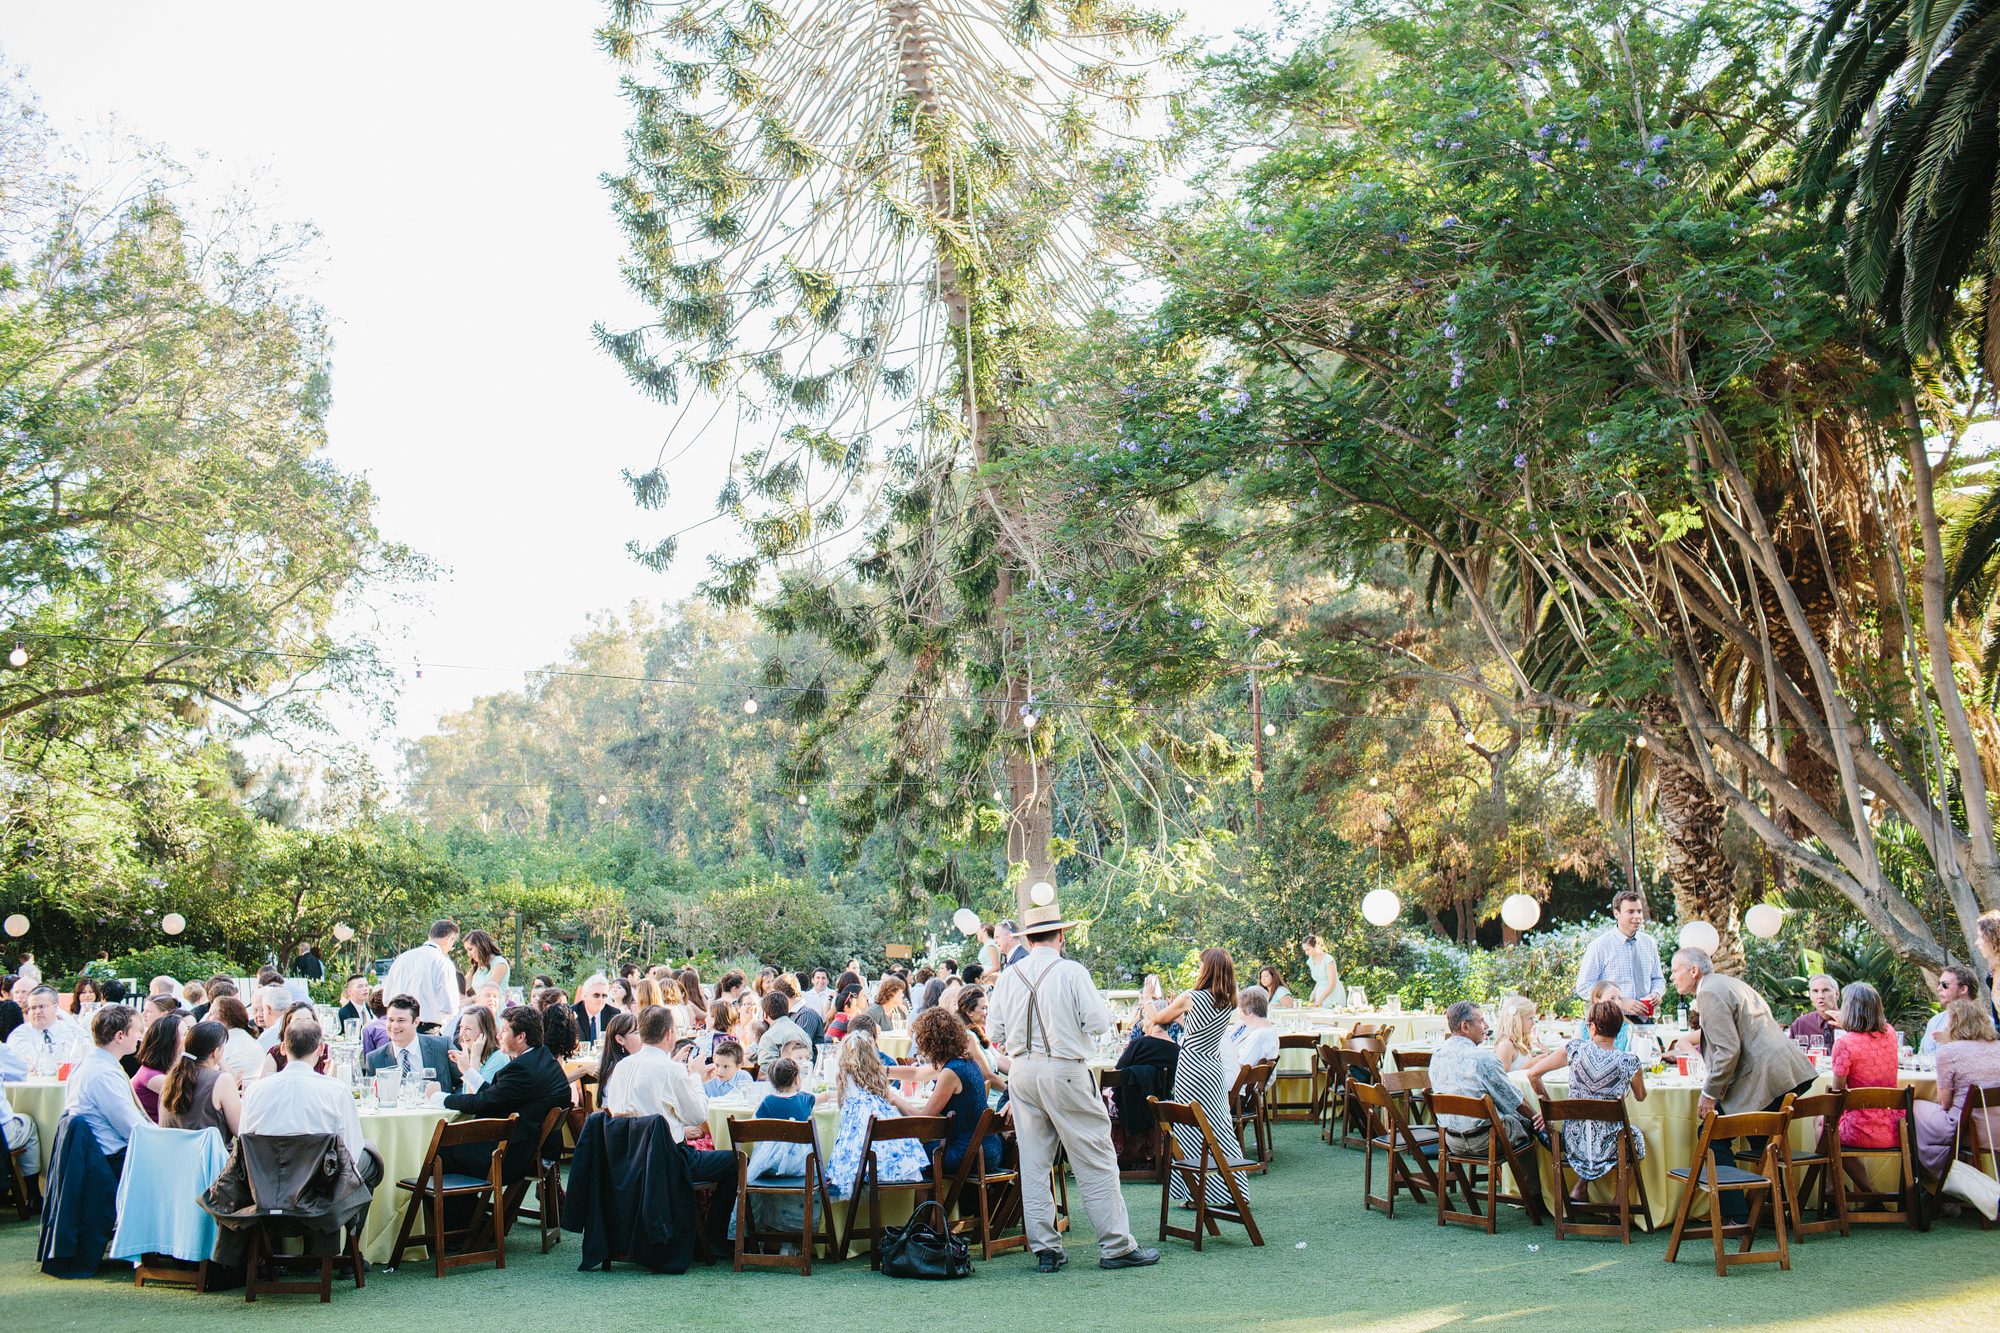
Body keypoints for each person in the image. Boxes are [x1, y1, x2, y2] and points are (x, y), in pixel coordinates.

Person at [989, 895, 1158, 1272]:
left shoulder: (1008, 976)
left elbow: (995, 1030)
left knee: (1033, 1162)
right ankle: (1116, 1245)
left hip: (1020, 1071)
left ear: (1029, 939)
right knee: (1094, 1157)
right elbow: (1099, 1023)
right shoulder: (1072, 972)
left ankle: (1046, 1250)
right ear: (1061, 935)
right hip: (1063, 1068)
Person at [1668, 947, 1815, 1223]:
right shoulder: (1728, 983)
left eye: (1675, 970)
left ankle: (1736, 1215)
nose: (1672, 977)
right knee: (1762, 1140)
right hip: (1783, 1071)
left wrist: (1710, 1094)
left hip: (1766, 1076)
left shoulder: (1709, 992)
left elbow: (1727, 1050)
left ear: (1694, 971)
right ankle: (1772, 1216)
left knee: (1712, 1135)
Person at [599, 1003, 738, 1257]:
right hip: (666, 1161)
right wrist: (694, 1076)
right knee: (736, 1161)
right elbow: (697, 1115)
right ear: (669, 1035)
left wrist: (689, 1078)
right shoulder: (670, 1069)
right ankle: (712, 1237)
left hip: (623, 1160)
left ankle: (706, 1236)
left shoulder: (622, 1067)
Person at [241, 1014, 382, 1196]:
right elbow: (351, 1152)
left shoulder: (255, 1091)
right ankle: (351, 1221)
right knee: (370, 1156)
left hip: (268, 1182)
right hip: (321, 1186)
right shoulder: (337, 1090)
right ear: (321, 1049)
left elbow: (245, 1144)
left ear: (283, 1048)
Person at [438, 1004, 575, 1188]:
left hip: (514, 1156)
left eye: (503, 1031)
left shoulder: (522, 1069)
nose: (498, 1036)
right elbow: (497, 1097)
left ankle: (465, 1216)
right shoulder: (542, 1056)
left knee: (438, 1152)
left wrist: (440, 1098)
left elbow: (482, 1103)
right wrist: (468, 1071)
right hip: (532, 1148)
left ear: (521, 1037)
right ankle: (474, 1215)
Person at [1526, 999, 1645, 1199]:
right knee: (1636, 1138)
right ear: (1619, 1029)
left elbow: (1532, 1074)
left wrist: (1546, 1109)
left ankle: (1580, 1189)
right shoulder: (1629, 1061)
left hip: (1574, 1140)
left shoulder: (1574, 1050)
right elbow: (1640, 1097)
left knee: (1591, 1127)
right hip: (1611, 1144)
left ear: (1593, 1027)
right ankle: (1619, 1202)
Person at [1149, 948, 1241, 1209]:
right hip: (1213, 1068)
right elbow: (1198, 1024)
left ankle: (1196, 1194)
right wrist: (1177, 1008)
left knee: (1190, 1128)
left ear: (1208, 968)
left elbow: (1158, 1018)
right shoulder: (1228, 1001)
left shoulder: (1191, 997)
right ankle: (1231, 1191)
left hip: (1191, 1068)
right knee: (1219, 1126)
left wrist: (1149, 999)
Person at [1431, 1001, 1546, 1160]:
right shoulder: (1484, 1059)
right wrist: (1542, 1125)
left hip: (1451, 1140)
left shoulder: (1436, 1056)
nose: (1486, 1026)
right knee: (1523, 1122)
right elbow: (1516, 1102)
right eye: (1481, 1021)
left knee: (1513, 1117)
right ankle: (1531, 1185)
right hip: (1487, 1141)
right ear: (1465, 1027)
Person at [1913, 998, 2000, 1196]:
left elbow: (1944, 1102)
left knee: (1914, 1107)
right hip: (1997, 1127)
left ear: (1955, 1023)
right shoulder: (1998, 1047)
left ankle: (1938, 1181)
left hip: (1970, 1129)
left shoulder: (1949, 1052)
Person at [825, 1033, 929, 1197]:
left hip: (861, 1139)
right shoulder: (877, 1075)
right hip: (887, 1132)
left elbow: (842, 1106)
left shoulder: (842, 1076)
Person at [1828, 980, 1905, 1197]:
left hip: (1861, 1130)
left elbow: (1837, 1092)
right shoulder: (1890, 1033)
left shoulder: (1845, 1044)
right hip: (1893, 1127)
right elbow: (1868, 1038)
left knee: (1824, 1126)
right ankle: (1834, 1189)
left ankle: (1846, 1191)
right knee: (1826, 1125)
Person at [908, 1005, 1002, 1175]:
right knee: (918, 1152)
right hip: (988, 1149)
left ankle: (931, 1203)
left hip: (969, 1153)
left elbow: (924, 1120)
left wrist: (892, 1098)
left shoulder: (951, 1072)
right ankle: (936, 1202)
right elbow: (916, 1073)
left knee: (909, 1156)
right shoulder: (967, 1062)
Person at [64, 1005, 146, 1172]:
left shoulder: (89, 1065)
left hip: (101, 1157)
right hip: (111, 1163)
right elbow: (131, 1128)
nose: (140, 1036)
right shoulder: (104, 1074)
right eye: (137, 1031)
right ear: (120, 1036)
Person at [1573, 890, 1664, 1016]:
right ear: (1617, 913)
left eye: (1639, 911)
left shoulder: (1649, 943)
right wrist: (1618, 1002)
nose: (1637, 916)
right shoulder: (1600, 946)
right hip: (1612, 1020)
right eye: (1630, 912)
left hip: (1646, 1020)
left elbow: (1657, 979)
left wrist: (1657, 993)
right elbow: (1584, 987)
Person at [159, 1020, 242, 1145]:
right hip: (211, 1161)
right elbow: (240, 1129)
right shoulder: (222, 1080)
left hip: (174, 1159)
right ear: (216, 1052)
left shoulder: (171, 1078)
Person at [382, 919, 460, 1033]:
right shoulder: (442, 962)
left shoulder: (402, 958)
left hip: (398, 1027)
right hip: (426, 1028)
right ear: (449, 940)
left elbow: (387, 999)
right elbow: (448, 1006)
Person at [363, 994, 456, 1090]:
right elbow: (371, 1095)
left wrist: (447, 1103)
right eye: (390, 1020)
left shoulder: (442, 1046)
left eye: (401, 1020)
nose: (394, 1026)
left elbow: (464, 1084)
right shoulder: (375, 1059)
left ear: (416, 1022)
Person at [6, 985, 86, 1072]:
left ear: (55, 1008)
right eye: (33, 1008)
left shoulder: (75, 1032)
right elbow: (31, 1064)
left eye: (42, 1007)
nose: (37, 1012)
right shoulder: (18, 1035)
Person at [129, 1011, 183, 1120]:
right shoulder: (152, 1076)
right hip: (155, 1132)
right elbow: (191, 1099)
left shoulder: (166, 1068)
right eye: (185, 1034)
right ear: (170, 1041)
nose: (190, 1037)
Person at [1220, 984, 1280, 1081]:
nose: (1241, 1017)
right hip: (1250, 1084)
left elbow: (1241, 1067)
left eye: (1241, 1012)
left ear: (1251, 1013)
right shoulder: (1270, 1031)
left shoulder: (1258, 1036)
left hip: (1241, 1086)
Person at [449, 1002, 511, 1089]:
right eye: (461, 1027)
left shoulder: (499, 1058)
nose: (462, 1033)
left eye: (468, 1029)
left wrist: (474, 1059)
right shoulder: (476, 1056)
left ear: (484, 1032)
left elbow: (474, 1098)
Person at [1921, 966, 1978, 1053]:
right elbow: (1924, 1058)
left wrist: (1948, 1042)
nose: (1939, 988)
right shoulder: (1936, 1021)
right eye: (1939, 984)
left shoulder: (1986, 1024)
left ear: (1963, 989)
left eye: (1945, 985)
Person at [209, 996, 264, 1079]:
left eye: (211, 1014)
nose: (208, 1019)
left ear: (226, 1020)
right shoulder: (251, 1039)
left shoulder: (222, 1042)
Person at [1493, 996, 1548, 1072]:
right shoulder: (1506, 1045)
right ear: (1517, 1020)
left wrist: (1546, 1057)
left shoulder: (1523, 1041)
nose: (1533, 1023)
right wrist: (1530, 1065)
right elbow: (1502, 1080)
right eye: (1530, 1018)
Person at [754, 991, 808, 1067]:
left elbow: (764, 1074)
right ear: (787, 1010)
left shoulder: (768, 1037)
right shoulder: (803, 1033)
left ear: (765, 1015)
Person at [1788, 973, 1842, 1045]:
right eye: (1815, 991)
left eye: (1825, 990)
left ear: (1837, 994)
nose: (1820, 996)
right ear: (1810, 996)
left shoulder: (1851, 1023)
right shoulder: (1800, 1025)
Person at [1588, 981, 1634, 1051]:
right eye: (1612, 998)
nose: (1618, 1003)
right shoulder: (1583, 1028)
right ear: (1597, 1001)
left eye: (1619, 998)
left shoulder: (1629, 1029)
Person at [463, 929, 510, 996]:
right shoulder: (478, 966)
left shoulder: (499, 963)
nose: (469, 954)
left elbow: (488, 992)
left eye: (470, 949)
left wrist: (469, 1000)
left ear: (481, 946)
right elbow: (462, 987)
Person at [1303, 934, 1344, 1008]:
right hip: (1320, 992)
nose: (1306, 953)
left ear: (1316, 947)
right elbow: (1319, 980)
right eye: (1305, 950)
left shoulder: (1328, 960)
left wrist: (1320, 1001)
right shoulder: (1310, 961)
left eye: (1308, 950)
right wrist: (1314, 993)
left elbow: (1332, 984)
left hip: (1333, 993)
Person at [572, 974, 614, 1044]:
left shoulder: (613, 1014)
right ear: (585, 996)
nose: (601, 999)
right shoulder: (573, 1012)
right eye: (596, 995)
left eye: (604, 996)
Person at [251, 985, 293, 1052]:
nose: (259, 1014)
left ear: (268, 1008)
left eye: (262, 1009)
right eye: (255, 1010)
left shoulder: (270, 1034)